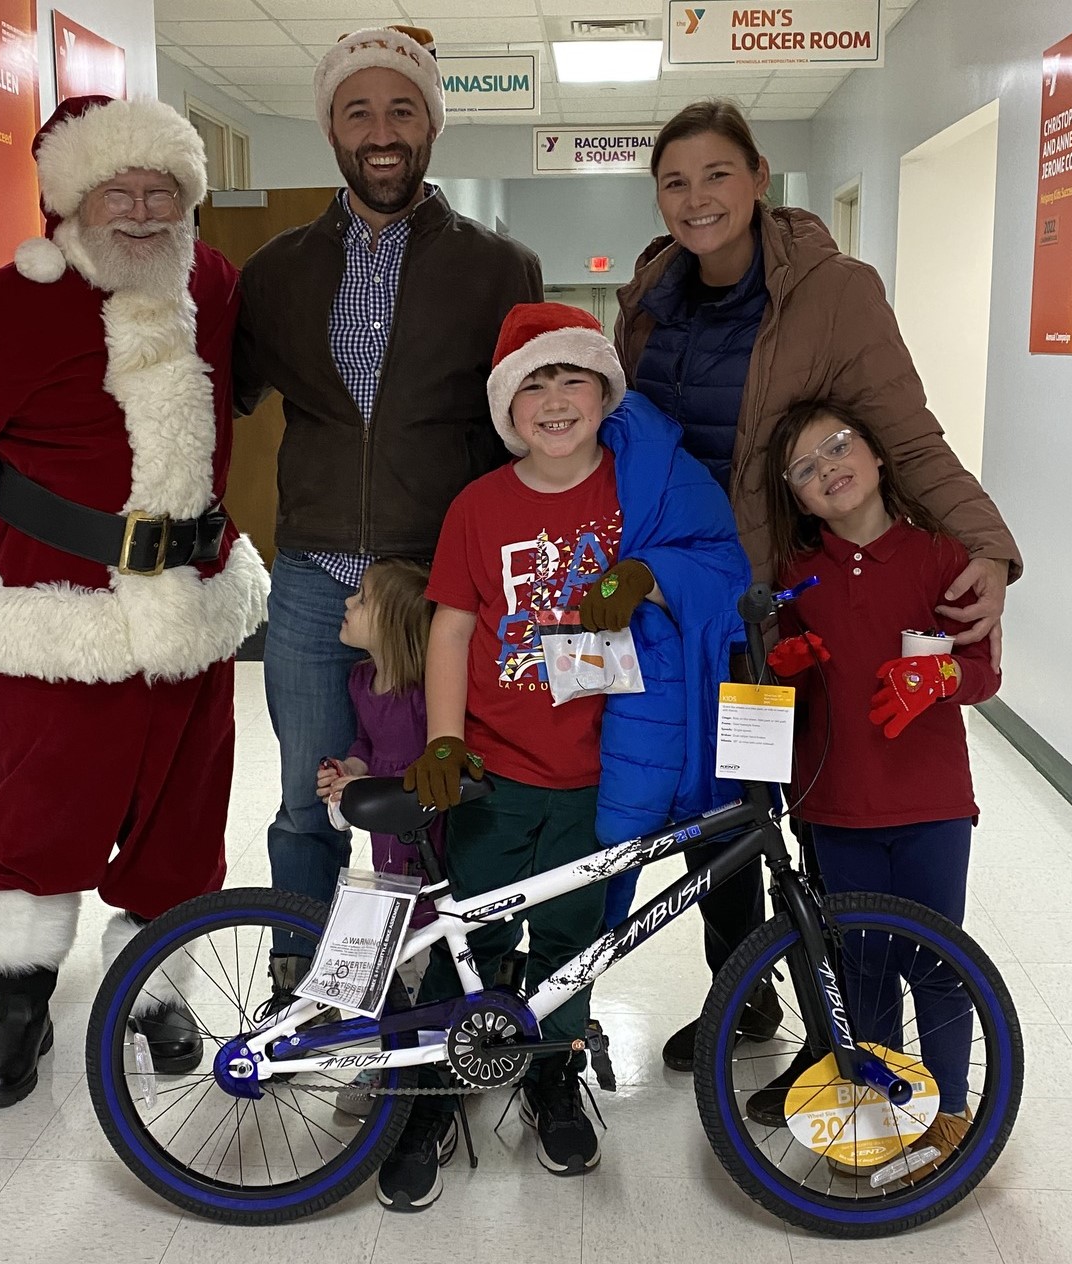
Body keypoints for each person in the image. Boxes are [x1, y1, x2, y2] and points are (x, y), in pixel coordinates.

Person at [615, 99, 1022, 1073]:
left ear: (759, 178)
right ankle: (741, 996)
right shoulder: (651, 293)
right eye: (675, 181)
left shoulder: (836, 292)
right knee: (714, 823)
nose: (697, 197)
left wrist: (987, 547)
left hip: (772, 604)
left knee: (793, 813)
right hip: (684, 613)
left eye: (718, 174)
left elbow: (907, 433)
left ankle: (836, 1033)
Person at [0, 95, 268, 1108]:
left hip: (191, 612)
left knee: (181, 825)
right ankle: (22, 1006)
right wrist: (9, 527)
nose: (144, 211)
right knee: (38, 818)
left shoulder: (211, 279)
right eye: (121, 191)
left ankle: (155, 990)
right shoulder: (14, 299)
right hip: (59, 618)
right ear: (72, 198)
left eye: (163, 190)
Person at [374, 303, 749, 1211]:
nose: (553, 401)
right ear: (507, 409)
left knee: (574, 943)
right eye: (531, 385)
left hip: (598, 772)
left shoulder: (640, 489)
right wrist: (445, 739)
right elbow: (455, 625)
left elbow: (713, 558)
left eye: (570, 378)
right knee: (477, 930)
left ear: (605, 391)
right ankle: (438, 1087)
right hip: (494, 773)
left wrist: (645, 575)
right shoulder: (480, 506)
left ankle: (551, 1071)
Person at [232, 25, 542, 996]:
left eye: (402, 109)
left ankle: (465, 987)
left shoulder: (498, 269)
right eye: (359, 109)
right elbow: (219, 393)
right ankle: (307, 988)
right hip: (317, 580)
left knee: (457, 794)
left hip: (440, 582)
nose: (381, 129)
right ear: (331, 125)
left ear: (432, 127)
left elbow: (523, 432)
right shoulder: (276, 271)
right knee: (308, 799)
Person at [749, 399, 1001, 1177]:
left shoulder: (942, 557)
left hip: (930, 803)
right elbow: (776, 678)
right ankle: (882, 1106)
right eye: (806, 467)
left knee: (936, 959)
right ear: (795, 496)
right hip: (835, 806)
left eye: (838, 446)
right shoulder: (795, 576)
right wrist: (784, 664)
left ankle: (949, 1112)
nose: (828, 468)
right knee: (861, 961)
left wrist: (945, 672)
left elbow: (985, 672)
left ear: (879, 455)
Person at [313, 557, 439, 1116]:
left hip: (429, 842)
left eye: (361, 599)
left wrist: (374, 778)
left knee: (420, 948)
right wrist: (352, 769)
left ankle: (413, 1059)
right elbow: (366, 741)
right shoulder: (360, 680)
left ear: (392, 625)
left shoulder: (422, 693)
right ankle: (389, 1053)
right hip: (386, 849)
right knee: (390, 949)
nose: (346, 603)